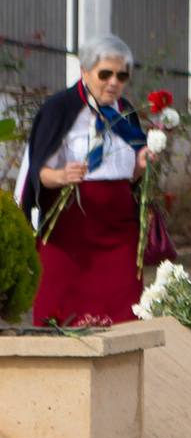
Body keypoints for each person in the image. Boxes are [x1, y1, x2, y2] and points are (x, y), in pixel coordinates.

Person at [12, 34, 159, 326]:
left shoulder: (126, 114)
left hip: (117, 233)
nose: (113, 82)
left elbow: (129, 178)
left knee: (124, 311)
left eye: (121, 76)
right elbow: (39, 170)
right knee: (61, 312)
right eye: (105, 74)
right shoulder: (61, 109)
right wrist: (61, 175)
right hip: (70, 232)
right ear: (85, 72)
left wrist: (141, 166)